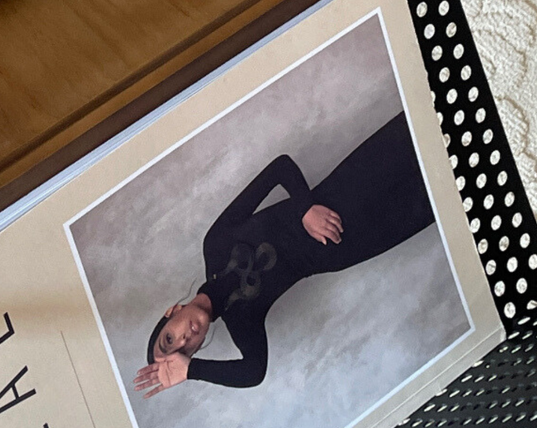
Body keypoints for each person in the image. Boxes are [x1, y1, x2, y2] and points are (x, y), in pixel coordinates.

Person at [133, 111, 434, 397]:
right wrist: (191, 372)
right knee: (439, 188)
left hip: (345, 188)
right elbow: (254, 372)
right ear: (196, 352)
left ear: (171, 312)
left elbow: (280, 168)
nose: (185, 340)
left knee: (424, 124)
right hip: (356, 242)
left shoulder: (215, 244)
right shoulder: (242, 321)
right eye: (185, 351)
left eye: (170, 339)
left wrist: (305, 209)